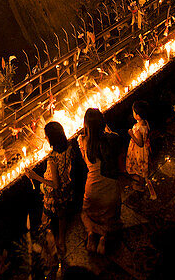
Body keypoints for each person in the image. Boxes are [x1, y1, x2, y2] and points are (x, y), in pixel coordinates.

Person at [27, 121, 74, 264]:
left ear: (51, 138)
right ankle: (61, 240)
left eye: (46, 136)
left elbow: (55, 184)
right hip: (67, 187)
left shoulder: (53, 158)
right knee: (61, 214)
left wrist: (35, 177)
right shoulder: (69, 147)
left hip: (53, 193)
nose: (45, 138)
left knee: (45, 220)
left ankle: (51, 249)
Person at [77, 108, 122, 255]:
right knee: (111, 216)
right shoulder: (112, 138)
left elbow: (86, 161)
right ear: (103, 124)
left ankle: (91, 233)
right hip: (111, 188)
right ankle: (104, 237)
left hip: (93, 189)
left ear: (86, 126)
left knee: (87, 212)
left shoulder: (82, 141)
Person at [125, 100, 156, 200]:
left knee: (140, 167)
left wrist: (131, 134)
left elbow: (140, 143)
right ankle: (142, 180)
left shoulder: (138, 128)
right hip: (145, 149)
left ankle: (141, 185)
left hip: (139, 151)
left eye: (134, 112)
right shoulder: (145, 123)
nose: (133, 114)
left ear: (138, 115)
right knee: (142, 167)